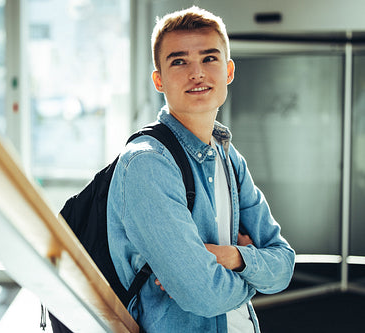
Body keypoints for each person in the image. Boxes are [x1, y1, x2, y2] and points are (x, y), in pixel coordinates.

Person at [107, 6, 295, 333]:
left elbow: (284, 264)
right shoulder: (147, 164)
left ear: (229, 71)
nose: (197, 73)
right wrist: (252, 269)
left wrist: (233, 258)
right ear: (159, 80)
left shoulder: (228, 156)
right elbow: (204, 296)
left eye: (209, 58)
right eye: (179, 61)